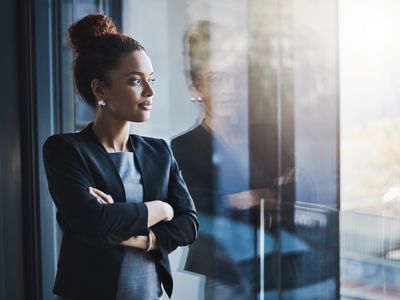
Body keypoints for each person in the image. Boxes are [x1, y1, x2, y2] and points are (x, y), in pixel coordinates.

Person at [42, 14, 198, 300]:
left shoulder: (159, 151)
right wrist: (161, 209)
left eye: (151, 80)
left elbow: (188, 223)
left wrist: (141, 238)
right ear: (100, 89)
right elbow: (92, 222)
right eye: (135, 81)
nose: (150, 91)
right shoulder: (65, 150)